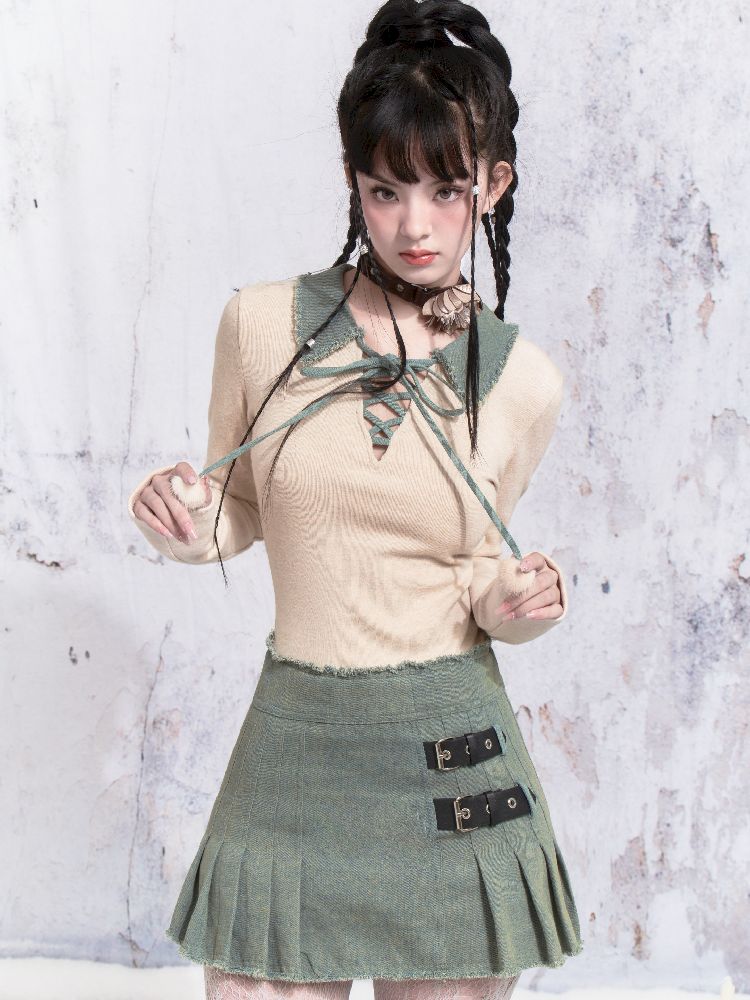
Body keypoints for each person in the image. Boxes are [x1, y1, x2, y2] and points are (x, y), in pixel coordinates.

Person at [128, 1, 584, 996]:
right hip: (298, 741)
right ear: (352, 180)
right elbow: (236, 506)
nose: (415, 225)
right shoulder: (261, 327)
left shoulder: (523, 380)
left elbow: (476, 576)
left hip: (449, 753)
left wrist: (521, 603)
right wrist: (180, 517)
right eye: (386, 190)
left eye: (446, 189)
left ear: (493, 184)